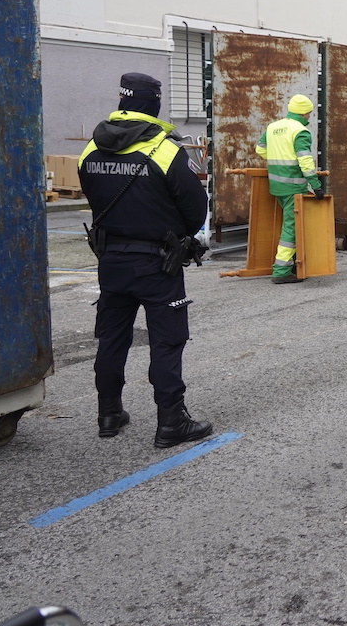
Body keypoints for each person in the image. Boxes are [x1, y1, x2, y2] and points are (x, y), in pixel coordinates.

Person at [77, 72, 213, 448]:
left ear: (122, 101)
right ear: (153, 104)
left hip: (111, 261)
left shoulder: (91, 149)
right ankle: (171, 422)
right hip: (158, 263)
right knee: (167, 342)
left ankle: (109, 413)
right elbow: (196, 208)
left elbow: (93, 195)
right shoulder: (165, 151)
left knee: (111, 338)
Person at [254, 94, 323, 284]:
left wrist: (277, 159)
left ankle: (293, 263)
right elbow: (305, 161)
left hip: (277, 185)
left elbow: (260, 149)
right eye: (309, 113)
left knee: (289, 224)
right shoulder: (300, 131)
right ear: (304, 113)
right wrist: (316, 185)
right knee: (291, 228)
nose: (309, 116)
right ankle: (281, 271)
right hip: (293, 186)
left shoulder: (273, 127)